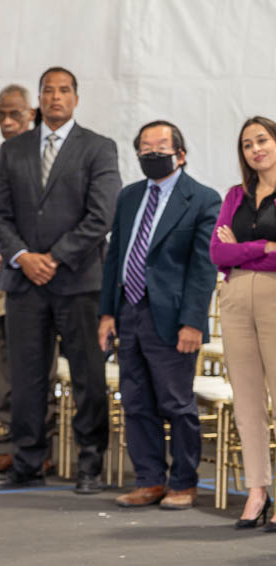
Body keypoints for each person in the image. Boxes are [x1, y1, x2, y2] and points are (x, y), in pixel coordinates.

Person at [0, 66, 122, 493]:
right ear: (38, 100)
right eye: (48, 90)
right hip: (25, 283)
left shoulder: (99, 148)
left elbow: (102, 216)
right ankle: (28, 462)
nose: (56, 97)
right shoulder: (15, 149)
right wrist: (24, 257)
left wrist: (55, 258)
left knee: (88, 375)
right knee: (27, 377)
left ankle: (89, 464)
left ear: (76, 98)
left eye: (64, 90)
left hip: (80, 281)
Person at [99, 120, 221, 510]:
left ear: (180, 154)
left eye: (160, 147)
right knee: (135, 401)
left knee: (176, 402)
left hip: (172, 317)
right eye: (144, 148)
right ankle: (149, 479)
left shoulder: (202, 199)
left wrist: (193, 323)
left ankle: (183, 482)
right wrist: (106, 313)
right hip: (128, 310)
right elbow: (115, 255)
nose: (151, 154)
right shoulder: (129, 196)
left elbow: (204, 269)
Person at [0, 84, 59, 475]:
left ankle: (45, 445)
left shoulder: (48, 156)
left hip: (36, 276)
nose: (7, 122)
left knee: (40, 366)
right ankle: (11, 444)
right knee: (3, 367)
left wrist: (14, 253)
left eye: (15, 114)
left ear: (33, 114)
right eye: (1, 114)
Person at [210, 116, 276, 530]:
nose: (256, 149)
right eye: (248, 144)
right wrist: (265, 246)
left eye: (263, 140)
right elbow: (217, 253)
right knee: (247, 402)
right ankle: (257, 490)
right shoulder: (236, 195)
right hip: (234, 300)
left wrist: (243, 250)